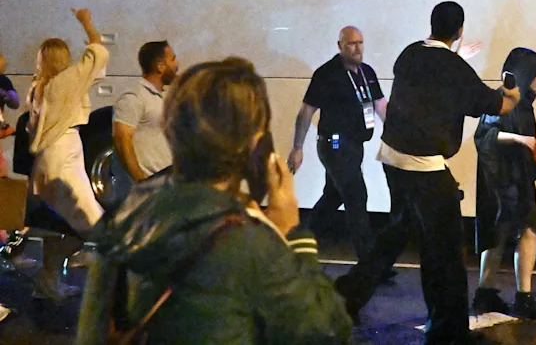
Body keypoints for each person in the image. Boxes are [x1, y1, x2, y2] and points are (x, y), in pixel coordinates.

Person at [76, 58, 351, 344]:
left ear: (171, 132)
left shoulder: (124, 218)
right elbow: (328, 331)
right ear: (254, 144)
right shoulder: (250, 244)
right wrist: (293, 233)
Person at [335, 1, 522, 344]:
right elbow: (495, 105)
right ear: (459, 30)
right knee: (446, 250)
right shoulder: (453, 67)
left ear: (432, 25)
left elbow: (436, 79)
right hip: (425, 165)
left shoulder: (409, 54)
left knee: (395, 233)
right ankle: (447, 329)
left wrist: (457, 60)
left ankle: (345, 297)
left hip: (392, 157)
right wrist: (512, 94)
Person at [27, 8, 109, 300]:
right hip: (64, 155)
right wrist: (87, 22)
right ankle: (93, 260)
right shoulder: (62, 84)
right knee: (87, 218)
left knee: (57, 225)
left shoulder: (39, 87)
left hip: (50, 157)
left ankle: (48, 283)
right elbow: (97, 53)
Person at [288, 26, 387, 260]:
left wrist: (396, 133)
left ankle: (300, 241)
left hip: (356, 144)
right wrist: (297, 147)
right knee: (355, 193)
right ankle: (369, 260)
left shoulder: (366, 72)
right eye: (352, 43)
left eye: (360, 43)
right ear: (340, 45)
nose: (357, 48)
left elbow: (381, 105)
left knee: (334, 196)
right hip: (334, 143)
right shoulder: (327, 73)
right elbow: (306, 112)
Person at [473, 47, 536, 320]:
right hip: (504, 179)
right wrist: (521, 140)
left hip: (511, 177)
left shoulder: (521, 103)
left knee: (502, 233)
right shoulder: (503, 100)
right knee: (527, 229)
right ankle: (522, 296)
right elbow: (486, 135)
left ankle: (486, 291)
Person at [113, 41, 179, 183]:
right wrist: (141, 182)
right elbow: (122, 140)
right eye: (172, 59)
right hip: (148, 184)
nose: (176, 65)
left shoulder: (163, 96)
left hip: (166, 181)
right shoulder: (134, 96)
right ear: (160, 66)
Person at [0, 52, 19, 139]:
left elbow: (15, 103)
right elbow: (15, 103)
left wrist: (4, 93)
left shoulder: (2, 81)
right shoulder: (3, 81)